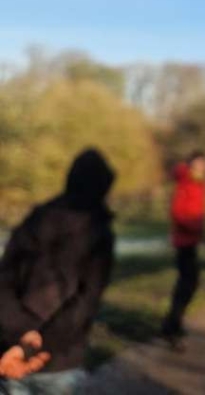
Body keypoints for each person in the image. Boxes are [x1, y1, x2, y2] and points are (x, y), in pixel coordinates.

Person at [0, 149, 116, 394]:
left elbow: (5, 280)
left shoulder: (36, 219)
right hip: (60, 357)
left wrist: (19, 339)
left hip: (12, 350)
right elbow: (85, 303)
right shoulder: (99, 233)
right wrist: (30, 349)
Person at [161, 151, 205, 342]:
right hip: (184, 241)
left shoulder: (199, 183)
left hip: (192, 240)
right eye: (199, 164)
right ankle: (171, 325)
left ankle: (174, 323)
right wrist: (194, 227)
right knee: (187, 283)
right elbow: (177, 212)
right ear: (191, 165)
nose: (203, 167)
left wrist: (199, 229)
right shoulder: (186, 182)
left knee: (189, 283)